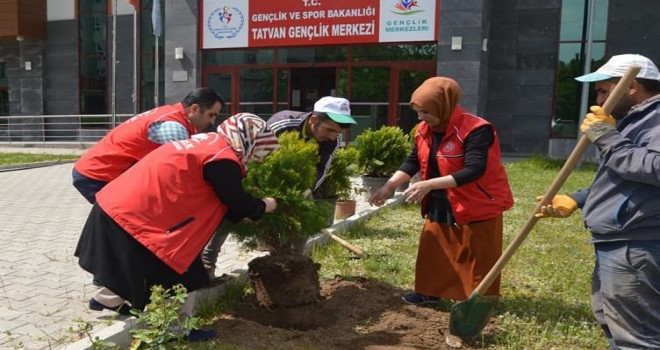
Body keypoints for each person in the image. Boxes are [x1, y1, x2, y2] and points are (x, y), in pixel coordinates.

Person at [75, 113, 279, 341]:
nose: (259, 158)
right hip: (136, 216)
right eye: (260, 149)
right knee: (184, 274)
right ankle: (177, 330)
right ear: (247, 140)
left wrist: (242, 211)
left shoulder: (208, 143)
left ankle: (106, 298)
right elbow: (233, 198)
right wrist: (263, 206)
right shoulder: (223, 158)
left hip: (117, 206)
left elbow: (219, 196)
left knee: (137, 263)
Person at [536, 54, 660, 349]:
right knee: (614, 324)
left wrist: (607, 136)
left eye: (604, 91)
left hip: (638, 243)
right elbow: (624, 177)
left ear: (630, 87)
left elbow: (654, 168)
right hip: (619, 241)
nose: (600, 100)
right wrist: (577, 199)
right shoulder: (635, 120)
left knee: (637, 337)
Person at [369, 77, 514, 306]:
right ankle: (429, 292)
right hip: (441, 199)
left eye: (425, 112)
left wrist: (428, 185)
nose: (420, 118)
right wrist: (389, 186)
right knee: (434, 249)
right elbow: (413, 160)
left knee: (476, 255)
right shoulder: (423, 130)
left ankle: (477, 302)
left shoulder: (476, 129)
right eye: (417, 111)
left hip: (477, 201)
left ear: (443, 106)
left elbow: (474, 169)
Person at [200, 96, 356, 276]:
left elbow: (322, 169)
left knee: (306, 210)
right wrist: (257, 195)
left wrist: (306, 190)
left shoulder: (332, 140)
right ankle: (208, 262)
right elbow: (257, 155)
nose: (332, 136)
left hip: (297, 183)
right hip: (259, 173)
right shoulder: (282, 125)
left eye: (337, 132)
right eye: (329, 129)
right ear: (314, 119)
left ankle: (296, 262)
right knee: (235, 207)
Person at [72, 87, 224, 204]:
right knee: (126, 220)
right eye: (211, 115)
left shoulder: (171, 114)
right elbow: (182, 170)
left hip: (100, 172)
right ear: (195, 109)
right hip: (98, 176)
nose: (212, 122)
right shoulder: (173, 127)